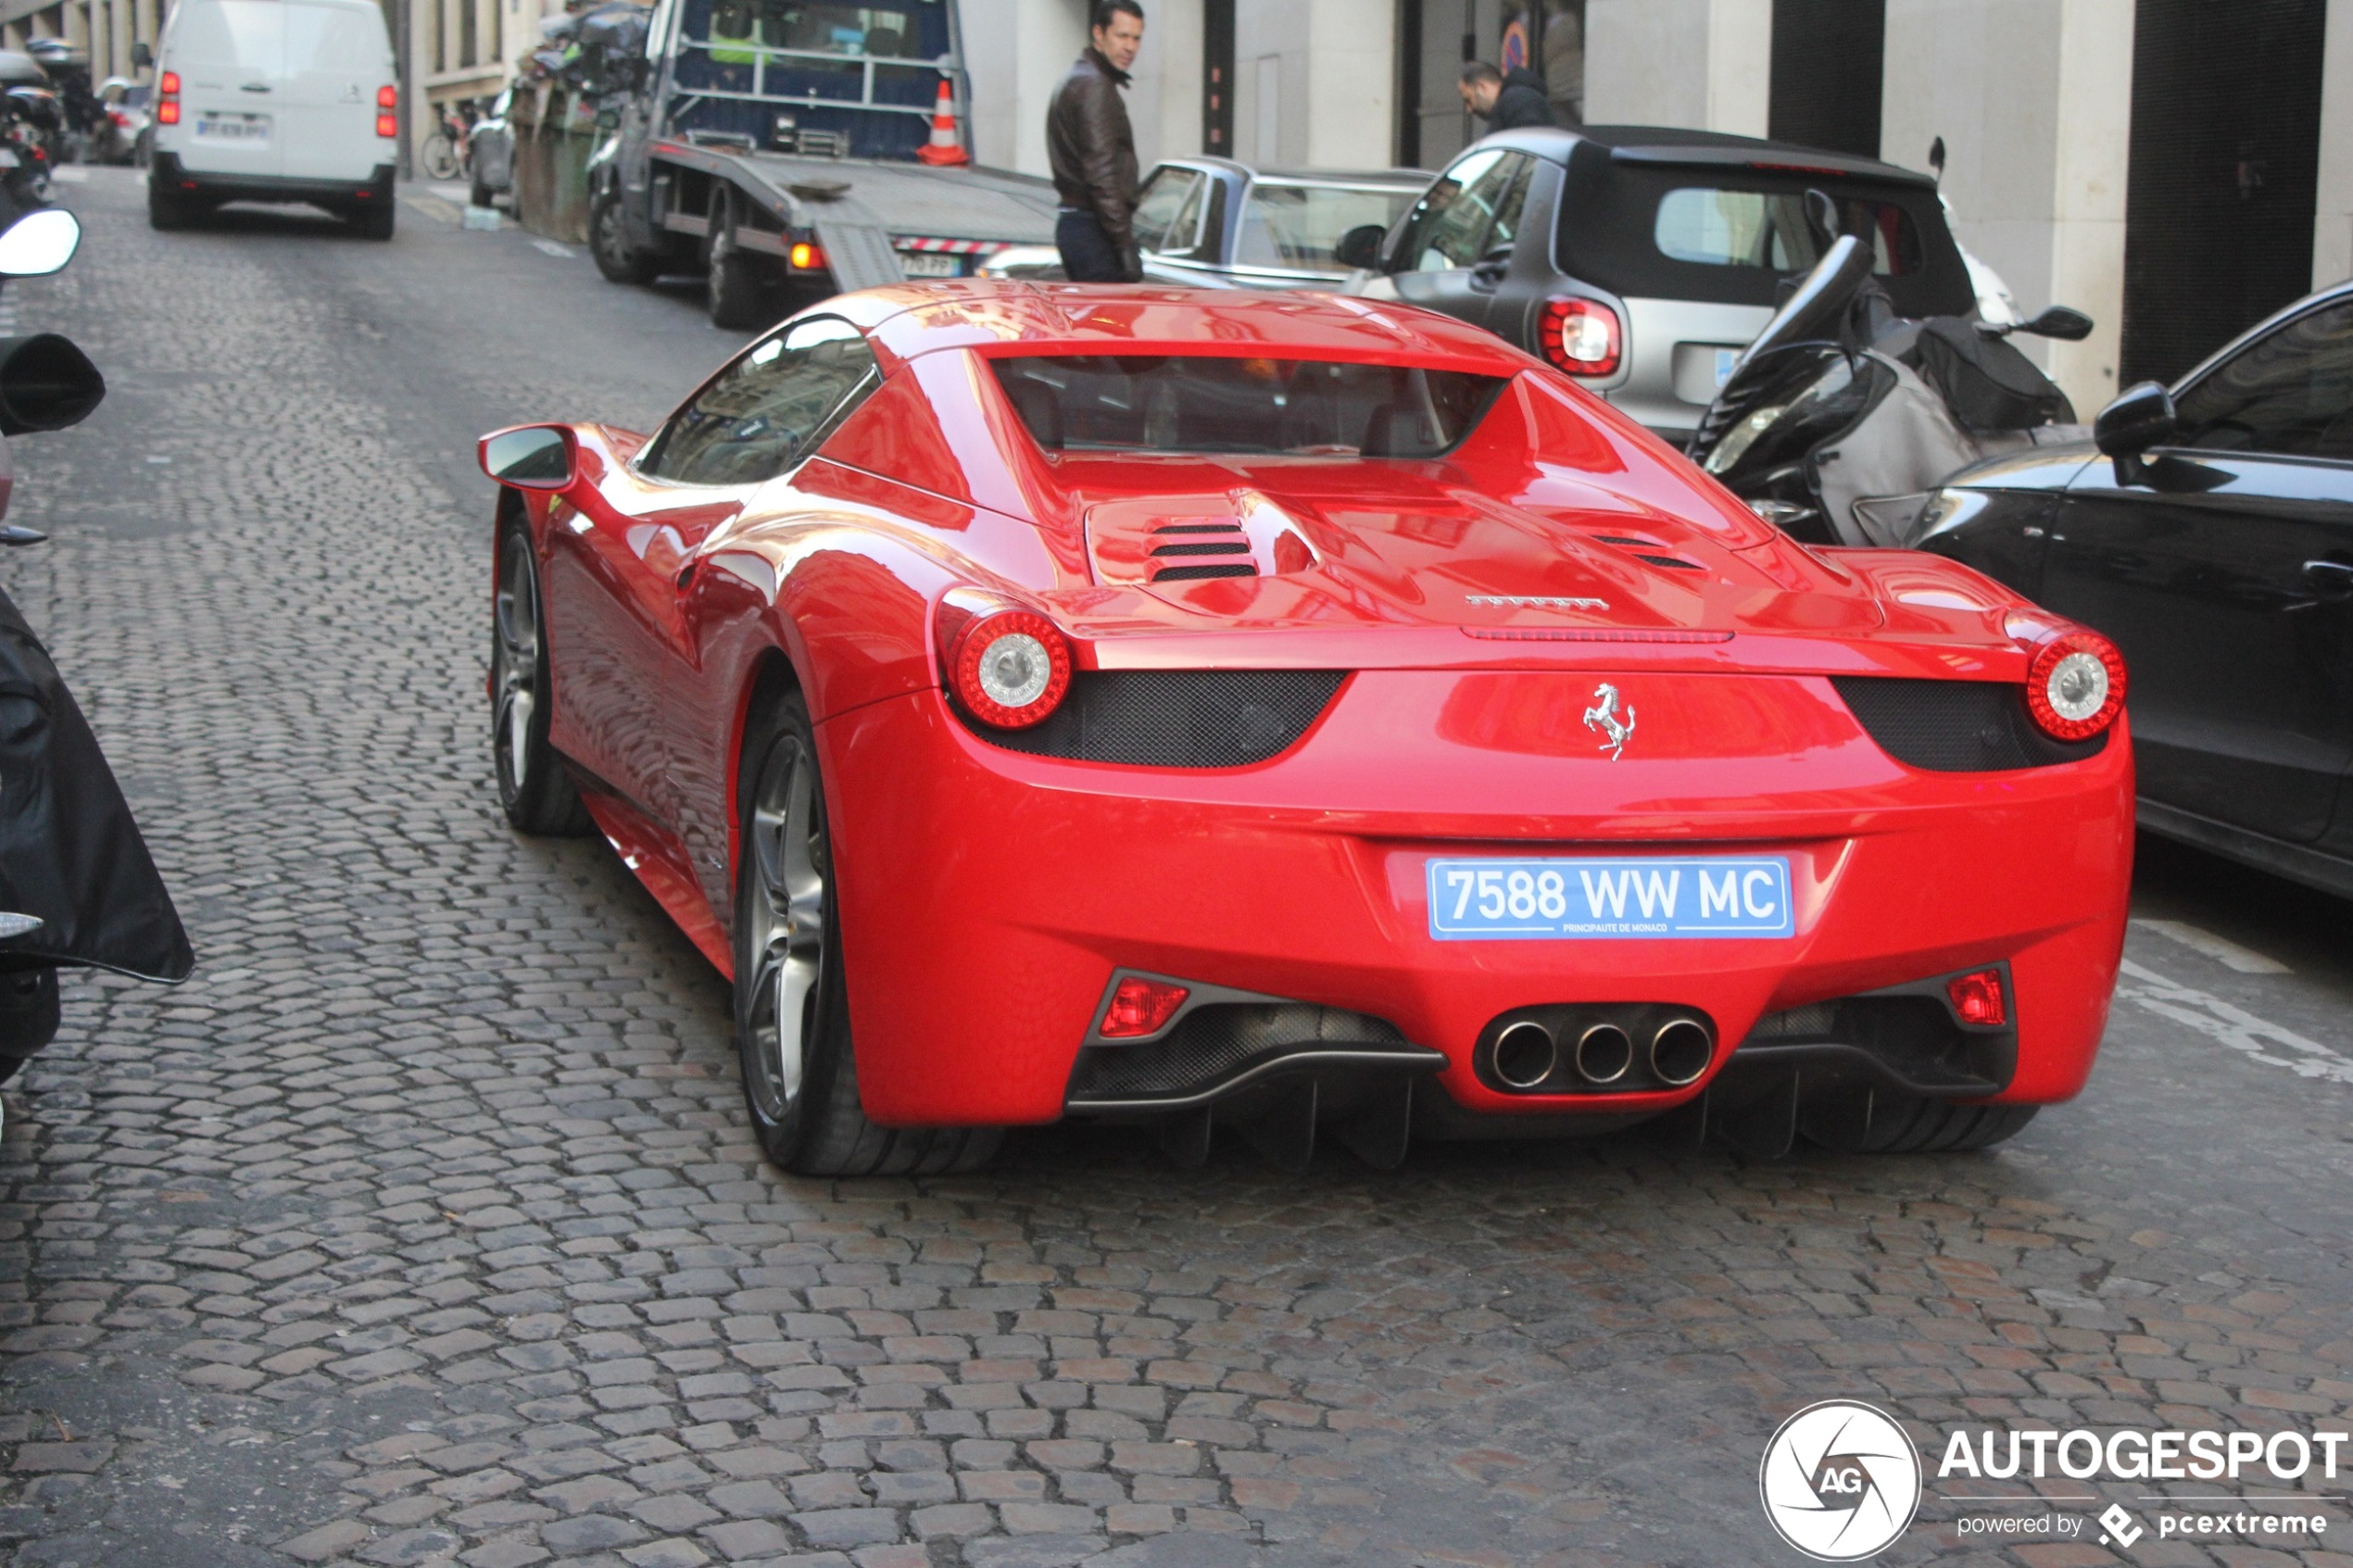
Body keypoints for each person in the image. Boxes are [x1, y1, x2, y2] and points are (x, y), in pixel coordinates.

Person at [1049, 0, 1146, 282]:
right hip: (1094, 228)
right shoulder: (1094, 86)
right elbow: (1101, 174)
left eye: (1136, 38)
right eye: (1122, 36)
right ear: (1099, 34)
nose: (1130, 47)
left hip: (1085, 225)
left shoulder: (1083, 77)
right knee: (1111, 326)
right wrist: (1124, 243)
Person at [1459, 60, 1554, 132]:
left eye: (1469, 100)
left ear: (1481, 87)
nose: (1469, 109)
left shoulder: (1517, 102)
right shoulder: (1514, 103)